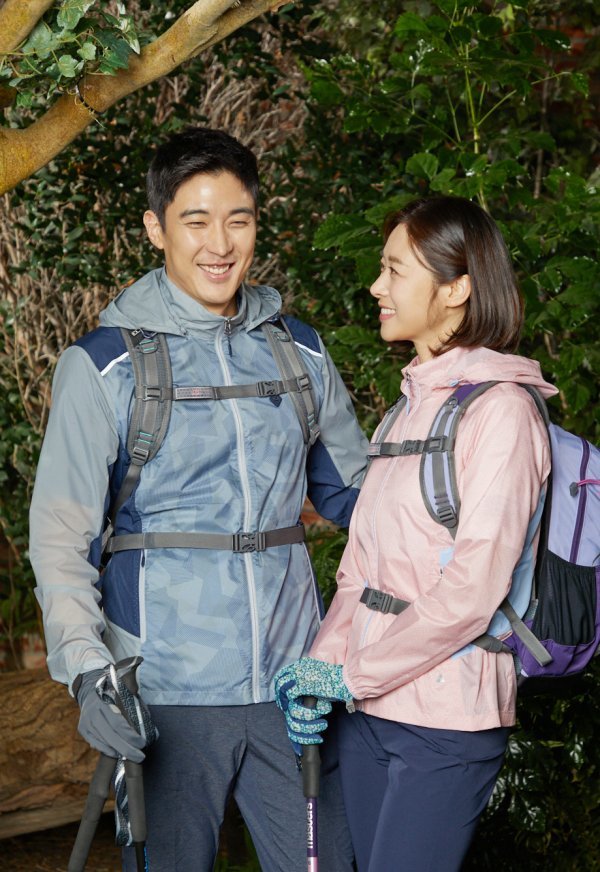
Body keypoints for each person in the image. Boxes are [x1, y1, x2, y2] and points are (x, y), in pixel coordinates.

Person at [29, 127, 368, 871]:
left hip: (294, 688)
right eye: (196, 221)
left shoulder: (299, 350)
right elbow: (60, 536)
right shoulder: (105, 366)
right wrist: (88, 672)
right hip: (164, 689)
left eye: (238, 220)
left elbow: (367, 503)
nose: (220, 244)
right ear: (156, 228)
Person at [274, 195, 558, 871]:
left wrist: (352, 675)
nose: (377, 286)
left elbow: (472, 592)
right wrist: (323, 667)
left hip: (448, 720)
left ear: (457, 289)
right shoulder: (404, 412)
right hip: (369, 712)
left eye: (395, 270)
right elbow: (360, 573)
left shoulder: (503, 413)